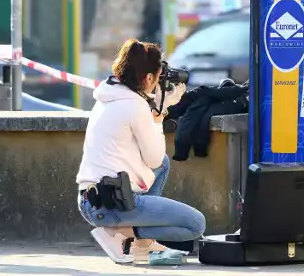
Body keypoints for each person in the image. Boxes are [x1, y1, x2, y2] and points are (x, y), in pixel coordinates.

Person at [75, 38, 206, 264]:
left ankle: (136, 242)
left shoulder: (108, 95)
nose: (157, 85)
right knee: (196, 224)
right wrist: (159, 115)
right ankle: (122, 235)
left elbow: (156, 162)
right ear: (147, 78)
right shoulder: (135, 105)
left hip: (92, 198)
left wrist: (153, 109)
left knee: (164, 164)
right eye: (156, 79)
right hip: (113, 204)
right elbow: (152, 159)